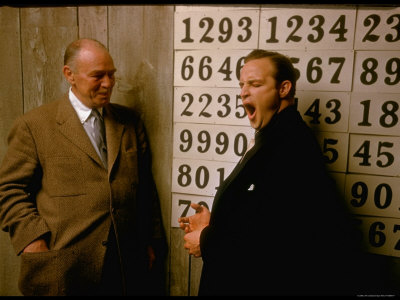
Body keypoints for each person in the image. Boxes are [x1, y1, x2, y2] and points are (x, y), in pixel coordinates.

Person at [179, 49, 393, 296]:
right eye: (242, 85)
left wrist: (205, 240)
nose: (243, 92)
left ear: (283, 89)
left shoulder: (291, 144)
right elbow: (261, 211)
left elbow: (274, 237)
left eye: (255, 84)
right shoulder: (272, 135)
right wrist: (213, 221)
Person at [0, 38, 166, 296]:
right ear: (70, 75)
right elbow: (9, 190)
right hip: (64, 268)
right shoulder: (34, 126)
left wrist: (149, 240)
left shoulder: (130, 121)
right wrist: (33, 242)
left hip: (126, 265)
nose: (108, 84)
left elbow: (145, 188)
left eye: (112, 75)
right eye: (97, 76)